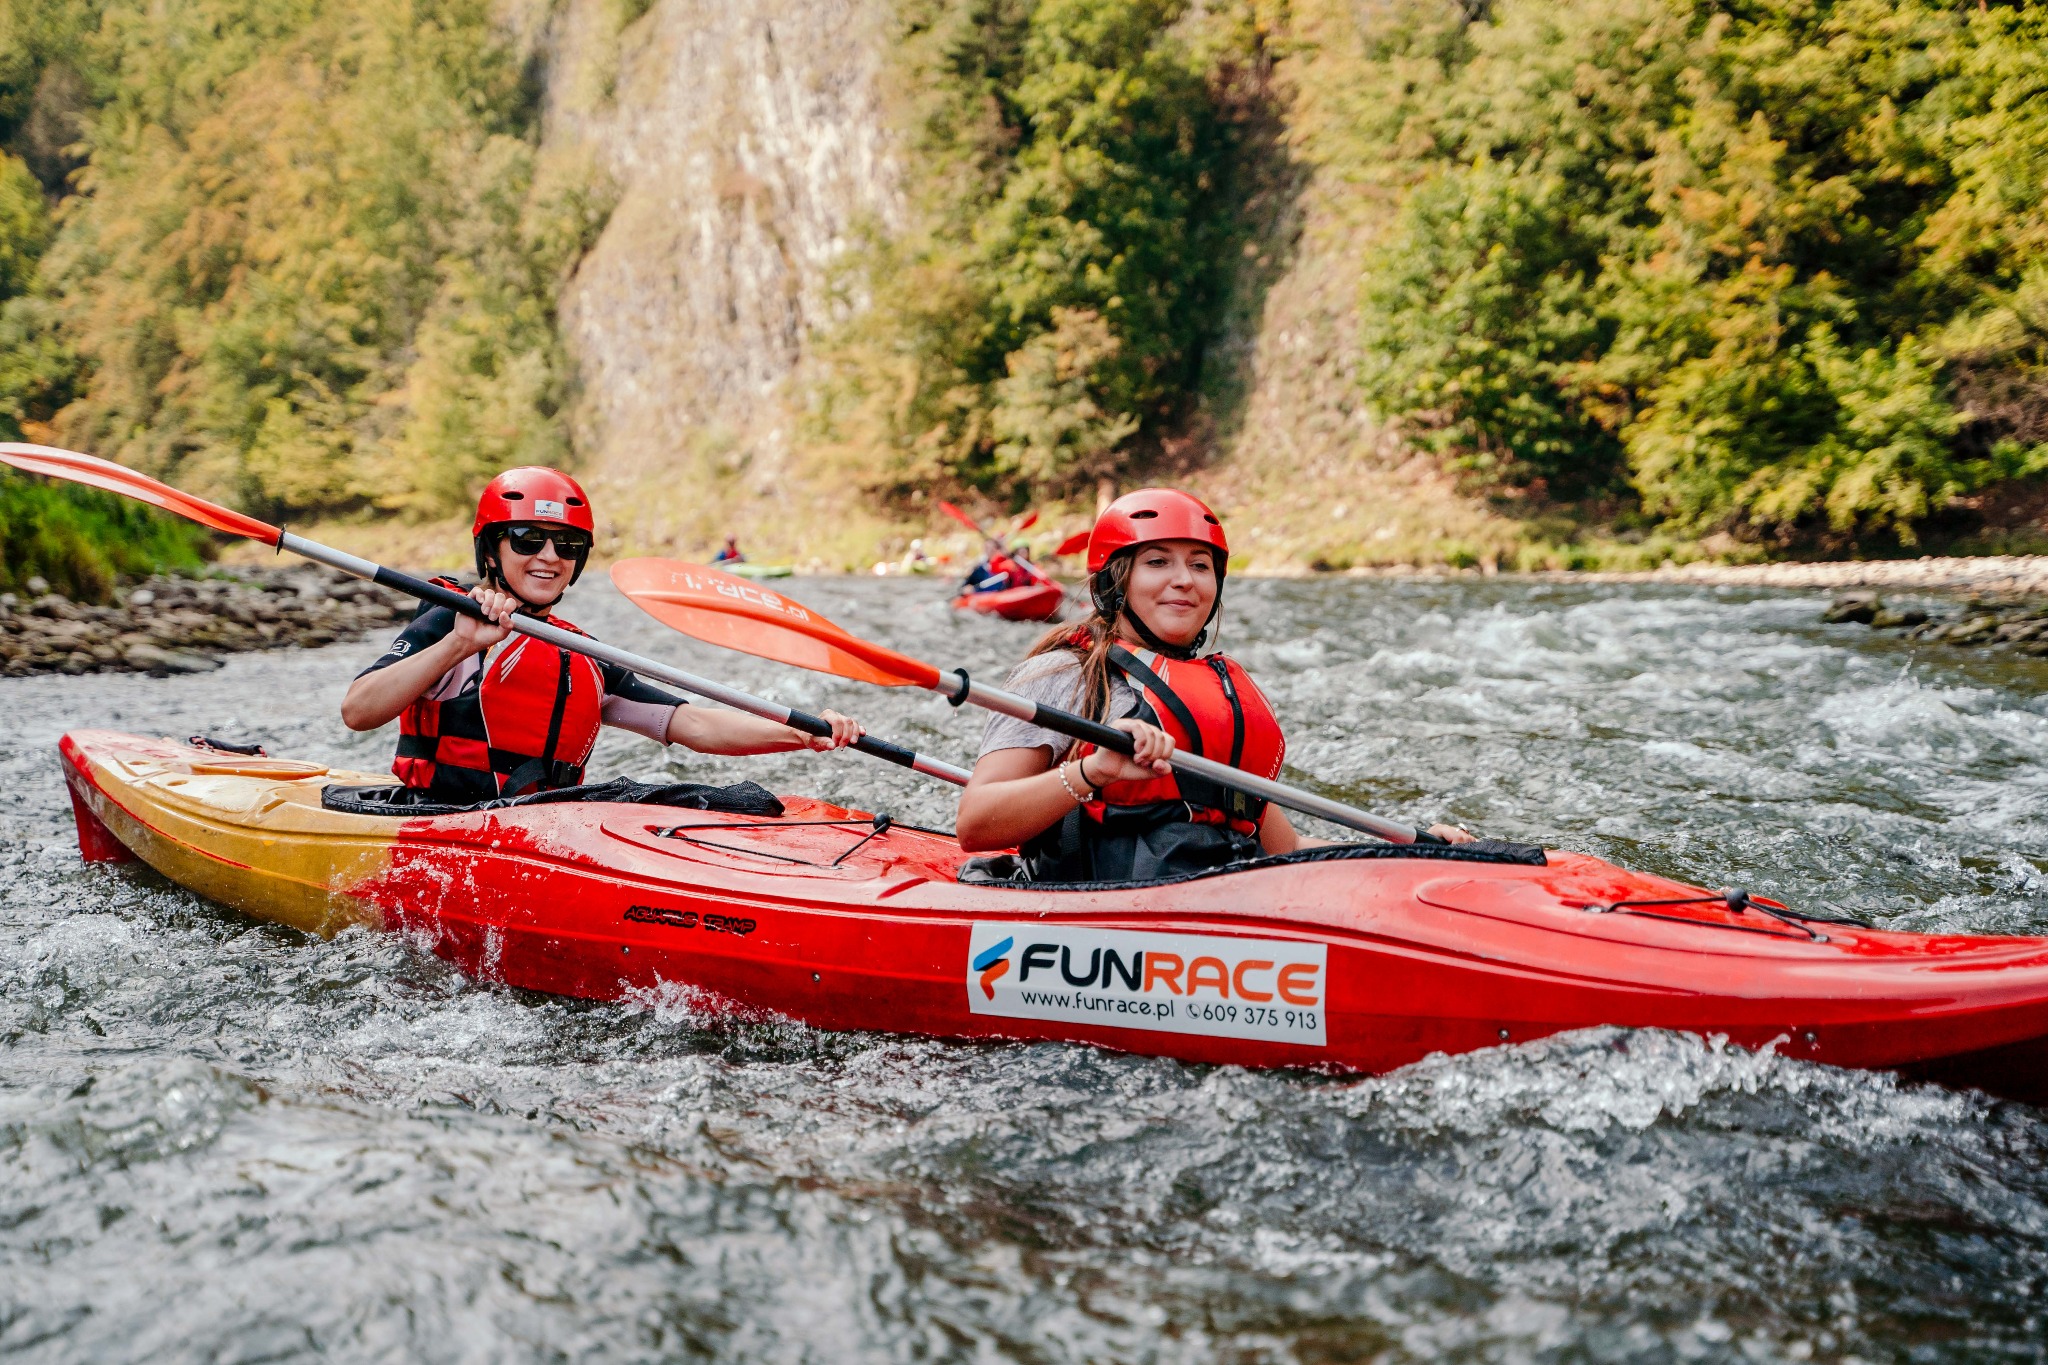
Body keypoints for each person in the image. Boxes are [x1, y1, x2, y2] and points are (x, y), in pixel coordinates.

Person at [956, 489, 1472, 881]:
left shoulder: (1212, 700)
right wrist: (1096, 770)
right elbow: (977, 825)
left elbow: (1284, 852)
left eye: (1200, 566)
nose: (1185, 580)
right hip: (1083, 900)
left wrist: (1413, 854)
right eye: (1158, 562)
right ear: (1116, 582)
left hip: (1208, 892)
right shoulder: (1063, 675)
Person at [341, 468, 862, 804]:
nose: (548, 557)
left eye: (566, 546)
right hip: (442, 824)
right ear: (492, 550)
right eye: (528, 539)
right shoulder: (450, 620)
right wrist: (460, 644)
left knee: (740, 802)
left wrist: (799, 735)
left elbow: (693, 724)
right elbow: (358, 711)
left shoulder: (581, 654)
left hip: (543, 827)